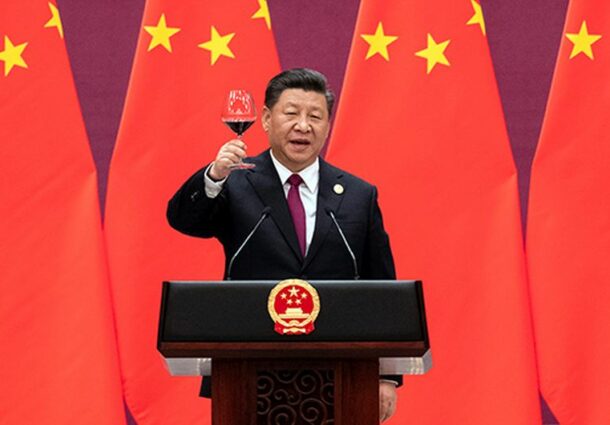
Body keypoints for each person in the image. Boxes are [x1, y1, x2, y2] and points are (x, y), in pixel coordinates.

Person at [167, 68, 400, 422]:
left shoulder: (357, 195)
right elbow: (184, 220)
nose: (303, 126)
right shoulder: (236, 182)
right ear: (265, 118)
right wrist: (213, 177)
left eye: (315, 116)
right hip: (249, 370)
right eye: (291, 113)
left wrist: (387, 376)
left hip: (340, 371)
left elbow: (382, 287)